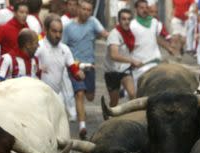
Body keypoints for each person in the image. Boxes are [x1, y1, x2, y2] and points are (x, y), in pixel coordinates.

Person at [63, 0, 109, 138]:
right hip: (75, 67)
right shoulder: (68, 27)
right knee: (80, 94)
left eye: (89, 10)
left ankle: (81, 112)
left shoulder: (93, 22)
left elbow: (104, 33)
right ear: (78, 8)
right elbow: (63, 47)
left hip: (90, 66)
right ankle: (82, 126)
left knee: (90, 96)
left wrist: (113, 37)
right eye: (83, 9)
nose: (86, 12)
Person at [38, 15, 82, 104]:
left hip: (56, 96)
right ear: (46, 30)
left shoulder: (65, 49)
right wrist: (37, 69)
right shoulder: (38, 47)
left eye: (60, 32)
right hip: (38, 96)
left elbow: (74, 70)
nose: (58, 35)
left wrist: (79, 75)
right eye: (54, 31)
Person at [104, 9, 143, 106]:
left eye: (129, 19)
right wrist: (132, 61)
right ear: (119, 20)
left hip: (125, 69)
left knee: (133, 94)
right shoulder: (114, 34)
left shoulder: (130, 34)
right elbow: (114, 55)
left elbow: (129, 49)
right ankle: (109, 115)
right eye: (124, 19)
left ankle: (131, 117)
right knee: (114, 102)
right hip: (111, 71)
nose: (127, 22)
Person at [130, 0, 173, 81]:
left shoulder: (155, 22)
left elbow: (163, 36)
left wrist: (170, 45)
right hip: (139, 65)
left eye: (146, 8)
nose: (144, 10)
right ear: (136, 9)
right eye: (141, 8)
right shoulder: (132, 25)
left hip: (155, 61)